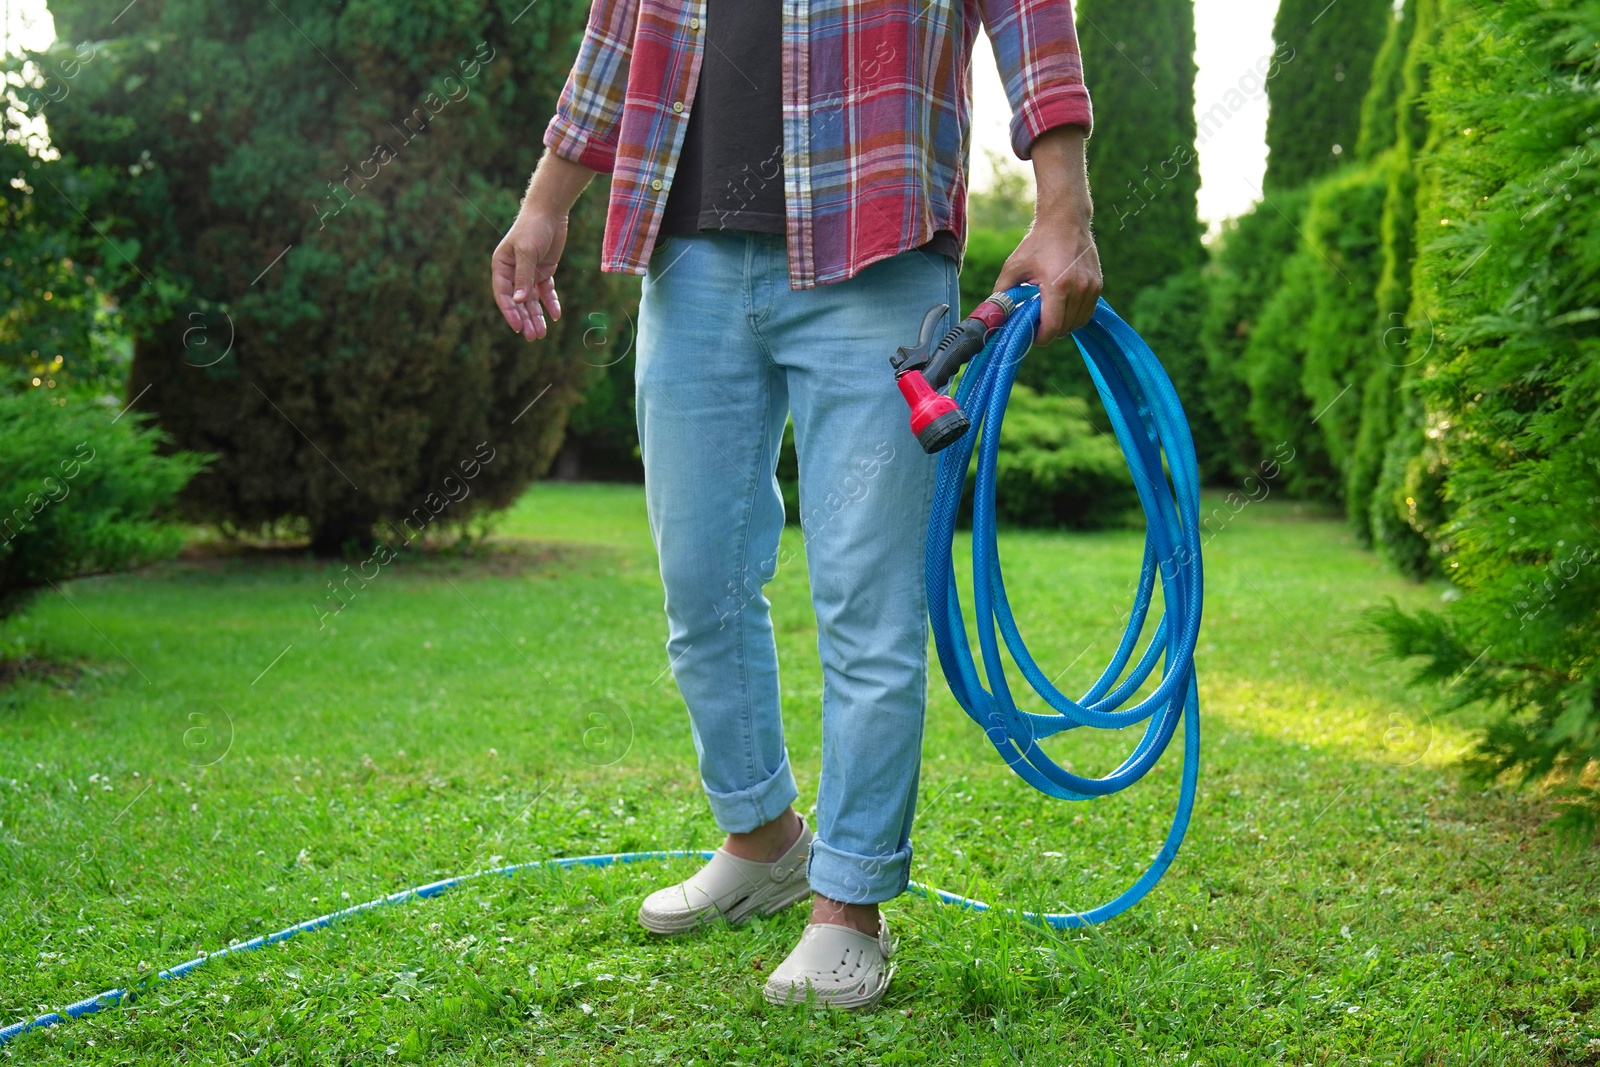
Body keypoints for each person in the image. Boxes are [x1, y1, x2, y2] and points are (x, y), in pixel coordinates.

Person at [491, 0, 1101, 1012]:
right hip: (687, 258)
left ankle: (850, 903)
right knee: (702, 581)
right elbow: (616, 30)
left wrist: (1062, 205)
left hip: (877, 244)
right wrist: (548, 198)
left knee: (866, 598)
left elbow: (1028, 12)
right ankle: (763, 836)